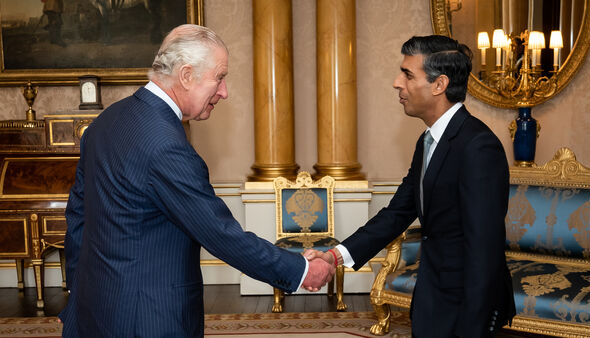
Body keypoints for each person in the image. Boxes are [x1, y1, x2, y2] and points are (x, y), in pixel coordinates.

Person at [58, 24, 335, 337]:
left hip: (97, 309)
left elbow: (78, 219)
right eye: (219, 77)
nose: (225, 91)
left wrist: (76, 299)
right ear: (186, 75)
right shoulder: (165, 146)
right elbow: (220, 233)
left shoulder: (107, 121)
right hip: (148, 318)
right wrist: (301, 270)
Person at [305, 35, 516, 337]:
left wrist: (474, 327)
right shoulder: (428, 141)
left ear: (439, 84)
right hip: (433, 296)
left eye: (407, 74)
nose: (396, 83)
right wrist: (335, 256)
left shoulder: (478, 146)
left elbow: (484, 250)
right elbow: (397, 213)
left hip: (465, 308)